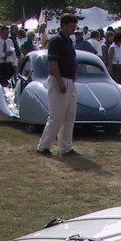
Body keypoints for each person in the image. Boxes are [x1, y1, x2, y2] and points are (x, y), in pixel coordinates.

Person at [36, 12, 80, 157]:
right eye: (72, 26)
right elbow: (52, 62)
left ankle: (66, 147)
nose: (74, 29)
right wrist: (60, 81)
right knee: (56, 116)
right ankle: (43, 146)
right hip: (58, 80)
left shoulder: (69, 41)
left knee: (69, 116)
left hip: (69, 80)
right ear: (65, 25)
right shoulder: (56, 41)